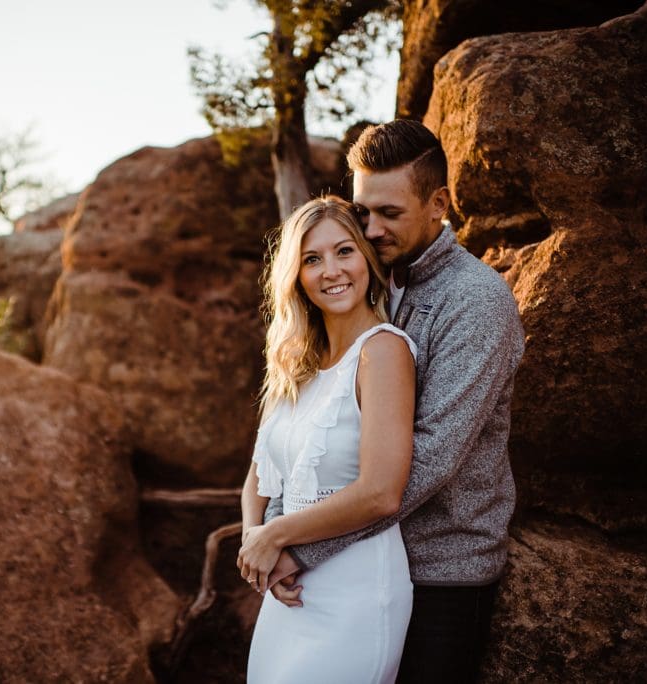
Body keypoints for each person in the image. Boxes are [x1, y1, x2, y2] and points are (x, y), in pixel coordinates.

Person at [259, 119, 526, 683]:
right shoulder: (376, 281)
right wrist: (274, 528)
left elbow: (427, 460)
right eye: (363, 213)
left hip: (441, 573)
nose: (372, 230)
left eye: (390, 213)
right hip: (353, 562)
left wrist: (297, 544)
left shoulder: (476, 302)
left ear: (438, 204)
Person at [238, 195, 419, 683]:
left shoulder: (383, 352)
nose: (332, 270)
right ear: (295, 276)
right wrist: (255, 539)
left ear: (366, 258)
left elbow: (381, 492)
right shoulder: (295, 365)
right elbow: (259, 475)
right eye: (312, 259)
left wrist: (275, 537)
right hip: (288, 590)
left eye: (345, 251)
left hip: (356, 592)